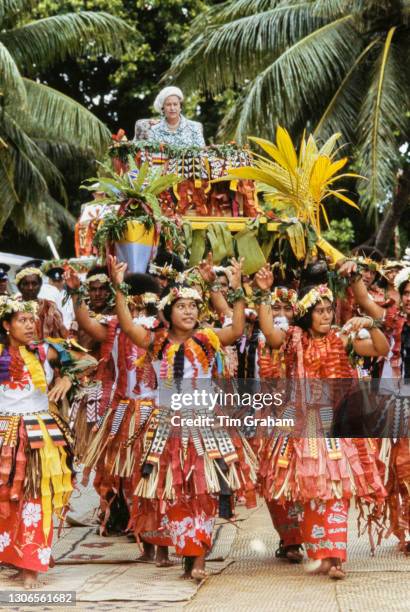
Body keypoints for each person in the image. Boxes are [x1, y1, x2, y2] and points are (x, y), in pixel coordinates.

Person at [111, 255, 257, 580]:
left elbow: (235, 327)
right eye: (182, 306)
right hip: (168, 428)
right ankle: (188, 551)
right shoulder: (156, 342)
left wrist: (236, 289)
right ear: (168, 312)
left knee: (204, 492)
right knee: (176, 492)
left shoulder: (207, 339)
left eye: (194, 306)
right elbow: (127, 326)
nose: (189, 311)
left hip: (205, 426)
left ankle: (199, 559)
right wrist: (119, 289)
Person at [255, 265, 389, 579]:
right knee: (311, 492)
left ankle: (336, 556)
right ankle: (322, 554)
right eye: (319, 311)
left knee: (336, 490)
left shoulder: (342, 339)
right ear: (306, 315)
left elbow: (381, 348)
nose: (327, 316)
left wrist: (371, 323)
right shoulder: (293, 339)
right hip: (300, 424)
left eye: (330, 310)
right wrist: (263, 292)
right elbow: (269, 333)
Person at [0, 296, 96, 588]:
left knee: (35, 498)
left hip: (40, 433)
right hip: (5, 433)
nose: (30, 326)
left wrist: (67, 379)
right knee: (7, 498)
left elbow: (89, 359)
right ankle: (17, 559)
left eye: (32, 320)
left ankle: (31, 567)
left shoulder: (45, 351)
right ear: (6, 325)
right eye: (22, 321)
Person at [15, 264, 67, 339]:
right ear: (19, 286)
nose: (30, 288)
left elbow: (60, 335)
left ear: (40, 285)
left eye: (34, 283)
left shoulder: (50, 307)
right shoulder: (10, 307)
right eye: (26, 284)